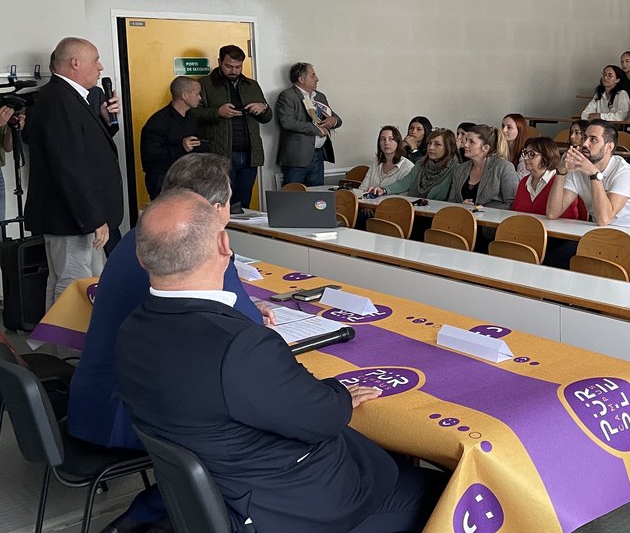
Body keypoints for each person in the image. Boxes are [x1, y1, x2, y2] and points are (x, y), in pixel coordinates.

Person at [115, 190, 443, 533]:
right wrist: (337, 392)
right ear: (225, 246)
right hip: (287, 506)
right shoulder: (239, 345)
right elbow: (323, 418)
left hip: (215, 497)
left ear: (142, 257)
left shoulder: (132, 329)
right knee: (444, 492)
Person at [69, 154, 271, 533]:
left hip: (95, 398)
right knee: (239, 429)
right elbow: (245, 324)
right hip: (129, 415)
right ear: (212, 209)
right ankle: (148, 516)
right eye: (229, 200)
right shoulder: (199, 247)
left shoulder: (144, 236)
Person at [26, 37, 123, 305]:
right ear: (75, 63)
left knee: (87, 279)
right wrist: (93, 218)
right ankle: (70, 348)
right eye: (95, 60)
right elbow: (68, 166)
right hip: (70, 217)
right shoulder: (58, 100)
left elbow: (86, 148)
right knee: (74, 284)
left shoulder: (73, 98)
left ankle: (68, 344)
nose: (101, 67)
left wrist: (105, 121)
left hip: (80, 214)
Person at [547, 119, 630, 258]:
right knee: (552, 257)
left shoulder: (624, 172)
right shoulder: (578, 168)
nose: (584, 144)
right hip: (599, 237)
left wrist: (594, 174)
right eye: (584, 138)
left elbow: (604, 219)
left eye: (593, 139)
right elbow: (553, 213)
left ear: (609, 147)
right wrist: (561, 171)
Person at [196, 44, 272, 209]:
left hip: (250, 154)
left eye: (238, 67)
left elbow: (267, 118)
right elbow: (192, 115)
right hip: (220, 154)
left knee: (244, 203)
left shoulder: (252, 85)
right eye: (229, 66)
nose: (234, 71)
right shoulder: (205, 84)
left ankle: (242, 234)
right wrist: (217, 112)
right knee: (220, 202)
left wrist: (263, 108)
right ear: (219, 62)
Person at [276, 62, 342, 187]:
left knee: (317, 199)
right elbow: (287, 122)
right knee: (294, 198)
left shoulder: (320, 96)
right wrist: (317, 129)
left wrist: (333, 121)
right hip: (297, 159)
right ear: (301, 79)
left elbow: (337, 119)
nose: (317, 79)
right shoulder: (287, 96)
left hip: (319, 156)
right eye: (313, 76)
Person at [140, 76, 202, 199]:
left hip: (188, 178)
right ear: (184, 95)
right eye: (197, 94)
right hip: (163, 180)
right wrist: (181, 147)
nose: (200, 98)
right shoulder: (157, 122)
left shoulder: (192, 118)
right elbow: (151, 157)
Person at [449, 124, 518, 208]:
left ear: (485, 148)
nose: (466, 144)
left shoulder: (504, 167)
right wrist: (462, 206)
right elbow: (451, 201)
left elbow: (512, 204)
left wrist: (480, 209)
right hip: (462, 218)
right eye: (466, 140)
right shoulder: (460, 168)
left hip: (492, 220)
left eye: (471, 142)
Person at [512, 137, 582, 219]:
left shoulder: (562, 181)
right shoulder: (524, 182)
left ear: (546, 156)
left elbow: (568, 218)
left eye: (531, 154)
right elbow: (515, 212)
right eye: (525, 153)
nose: (526, 158)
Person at [384, 128, 458, 200]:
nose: (431, 147)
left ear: (448, 147)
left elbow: (454, 200)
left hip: (440, 211)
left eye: (437, 144)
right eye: (429, 143)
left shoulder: (456, 170)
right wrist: (384, 190)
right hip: (415, 209)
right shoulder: (420, 164)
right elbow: (404, 183)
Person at [360, 126, 414, 195]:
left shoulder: (407, 166)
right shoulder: (376, 161)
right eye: (382, 139)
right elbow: (362, 188)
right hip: (369, 203)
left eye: (391, 139)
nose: (386, 143)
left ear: (398, 142)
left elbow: (404, 196)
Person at [501, 113, 533, 178]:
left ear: (519, 130)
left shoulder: (525, 154)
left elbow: (519, 182)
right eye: (503, 126)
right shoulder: (499, 150)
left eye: (509, 127)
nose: (503, 130)